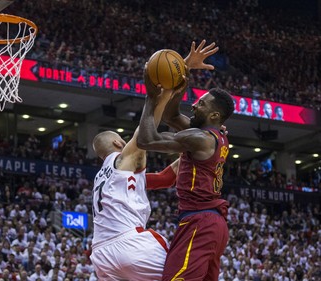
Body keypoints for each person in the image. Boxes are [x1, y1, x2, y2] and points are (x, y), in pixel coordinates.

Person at [90, 40, 218, 281]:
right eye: (122, 139)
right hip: (130, 244)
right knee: (185, 276)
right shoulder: (123, 160)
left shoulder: (103, 180)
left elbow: (164, 179)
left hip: (101, 256)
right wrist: (173, 79)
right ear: (118, 144)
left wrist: (203, 152)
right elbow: (145, 131)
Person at [137, 50, 235, 280]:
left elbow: (146, 140)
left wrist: (151, 97)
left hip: (200, 222)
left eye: (201, 103)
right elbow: (171, 117)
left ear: (214, 115)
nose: (194, 105)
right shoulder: (211, 136)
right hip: (211, 223)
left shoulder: (199, 138)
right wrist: (182, 76)